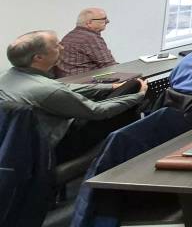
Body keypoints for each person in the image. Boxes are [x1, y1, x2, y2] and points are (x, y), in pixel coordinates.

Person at [0, 30, 147, 162]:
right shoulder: (47, 89)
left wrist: (110, 87)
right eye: (57, 46)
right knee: (131, 92)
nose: (62, 48)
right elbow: (98, 111)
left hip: (16, 144)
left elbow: (64, 87)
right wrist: (138, 96)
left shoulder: (6, 76)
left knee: (120, 93)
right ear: (38, 57)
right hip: (56, 148)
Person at [54, 8, 117, 77]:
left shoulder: (70, 35)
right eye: (104, 19)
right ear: (89, 22)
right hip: (85, 82)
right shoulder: (90, 38)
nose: (108, 21)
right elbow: (109, 66)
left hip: (69, 81)